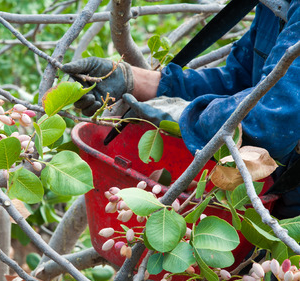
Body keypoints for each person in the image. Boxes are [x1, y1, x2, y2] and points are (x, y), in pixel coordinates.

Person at [62, 0, 300, 219]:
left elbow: (271, 124)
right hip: (268, 204)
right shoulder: (273, 5)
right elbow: (240, 80)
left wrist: (182, 114)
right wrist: (134, 80)